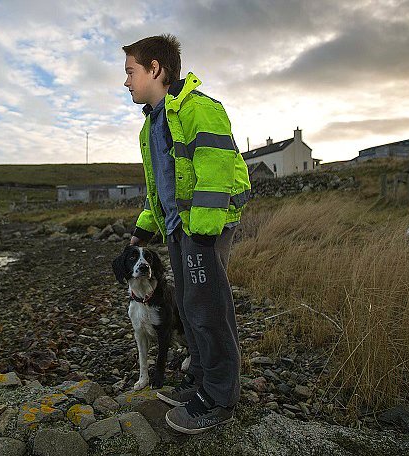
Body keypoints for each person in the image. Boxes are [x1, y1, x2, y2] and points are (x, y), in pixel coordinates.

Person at [122, 34, 251, 434]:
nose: (126, 82)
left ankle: (218, 398)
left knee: (207, 308)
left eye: (130, 72)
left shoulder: (199, 109)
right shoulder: (153, 123)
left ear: (155, 69)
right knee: (188, 306)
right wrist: (142, 231)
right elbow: (162, 186)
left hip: (203, 227)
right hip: (180, 228)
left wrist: (204, 232)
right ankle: (200, 384)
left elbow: (216, 167)